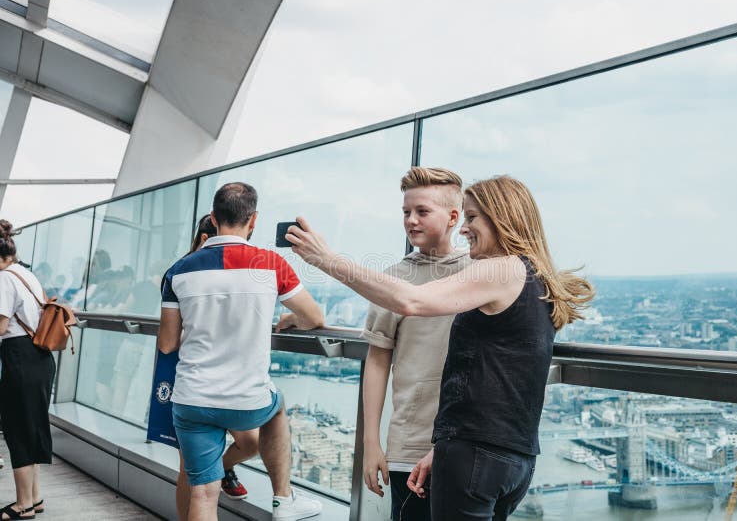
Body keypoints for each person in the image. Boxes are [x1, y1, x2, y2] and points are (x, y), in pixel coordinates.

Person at [287, 175, 594, 521]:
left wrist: (326, 259)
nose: (465, 228)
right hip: (514, 458)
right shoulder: (532, 276)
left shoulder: (498, 269)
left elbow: (411, 299)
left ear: (501, 217)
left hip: (474, 457)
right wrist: (444, 449)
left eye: (473, 217)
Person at [157, 182, 325, 521]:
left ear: (214, 218)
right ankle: (283, 499)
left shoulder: (179, 271)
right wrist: (290, 319)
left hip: (192, 399)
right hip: (245, 403)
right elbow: (315, 318)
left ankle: (220, 479)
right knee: (276, 409)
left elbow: (167, 344)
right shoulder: (271, 264)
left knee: (203, 492)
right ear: (254, 220)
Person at [361, 168, 470, 521]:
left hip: (467, 442)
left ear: (454, 217)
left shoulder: (479, 273)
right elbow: (377, 362)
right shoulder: (393, 279)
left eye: (422, 212)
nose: (410, 221)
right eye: (406, 212)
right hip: (410, 445)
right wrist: (371, 443)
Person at [172, 214, 263, 520]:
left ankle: (223, 466)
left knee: (252, 441)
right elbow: (168, 339)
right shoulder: (183, 272)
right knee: (190, 471)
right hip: (194, 381)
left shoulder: (243, 273)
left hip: (235, 379)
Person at [0, 220, 53, 520]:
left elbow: (1, 324)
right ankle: (34, 498)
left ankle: (23, 506)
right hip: (40, 357)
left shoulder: (5, 278)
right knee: (30, 427)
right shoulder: (26, 274)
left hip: (20, 357)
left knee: (18, 429)